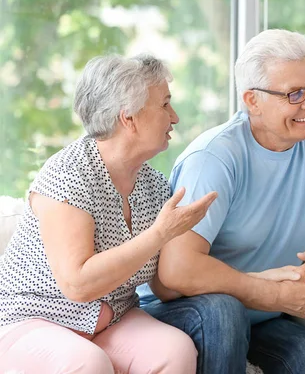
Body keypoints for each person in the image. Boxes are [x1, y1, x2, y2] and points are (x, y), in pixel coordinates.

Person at [137, 29, 305, 373]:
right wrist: (272, 295)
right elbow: (176, 271)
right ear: (252, 101)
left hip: (260, 317)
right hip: (187, 310)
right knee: (223, 313)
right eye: (294, 94)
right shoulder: (215, 158)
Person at [0, 54, 218, 373]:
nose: (175, 117)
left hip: (112, 321)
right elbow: (78, 285)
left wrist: (237, 271)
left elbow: (164, 286)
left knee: (175, 350)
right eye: (164, 105)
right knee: (87, 363)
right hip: (32, 321)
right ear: (128, 117)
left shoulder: (154, 185)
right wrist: (160, 233)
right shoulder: (68, 174)